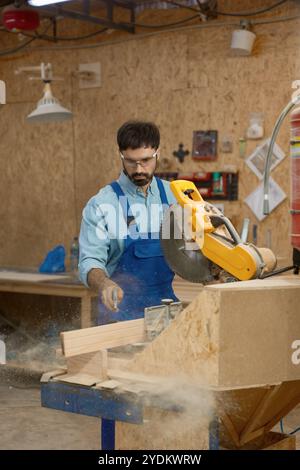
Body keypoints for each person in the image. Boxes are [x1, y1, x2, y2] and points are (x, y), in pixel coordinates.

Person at [79, 120, 178, 324]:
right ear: (121, 156)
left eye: (146, 160)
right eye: (131, 161)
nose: (139, 169)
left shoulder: (176, 196)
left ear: (157, 153)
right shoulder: (101, 204)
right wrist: (104, 284)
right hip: (121, 315)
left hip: (169, 314)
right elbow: (90, 261)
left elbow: (193, 248)